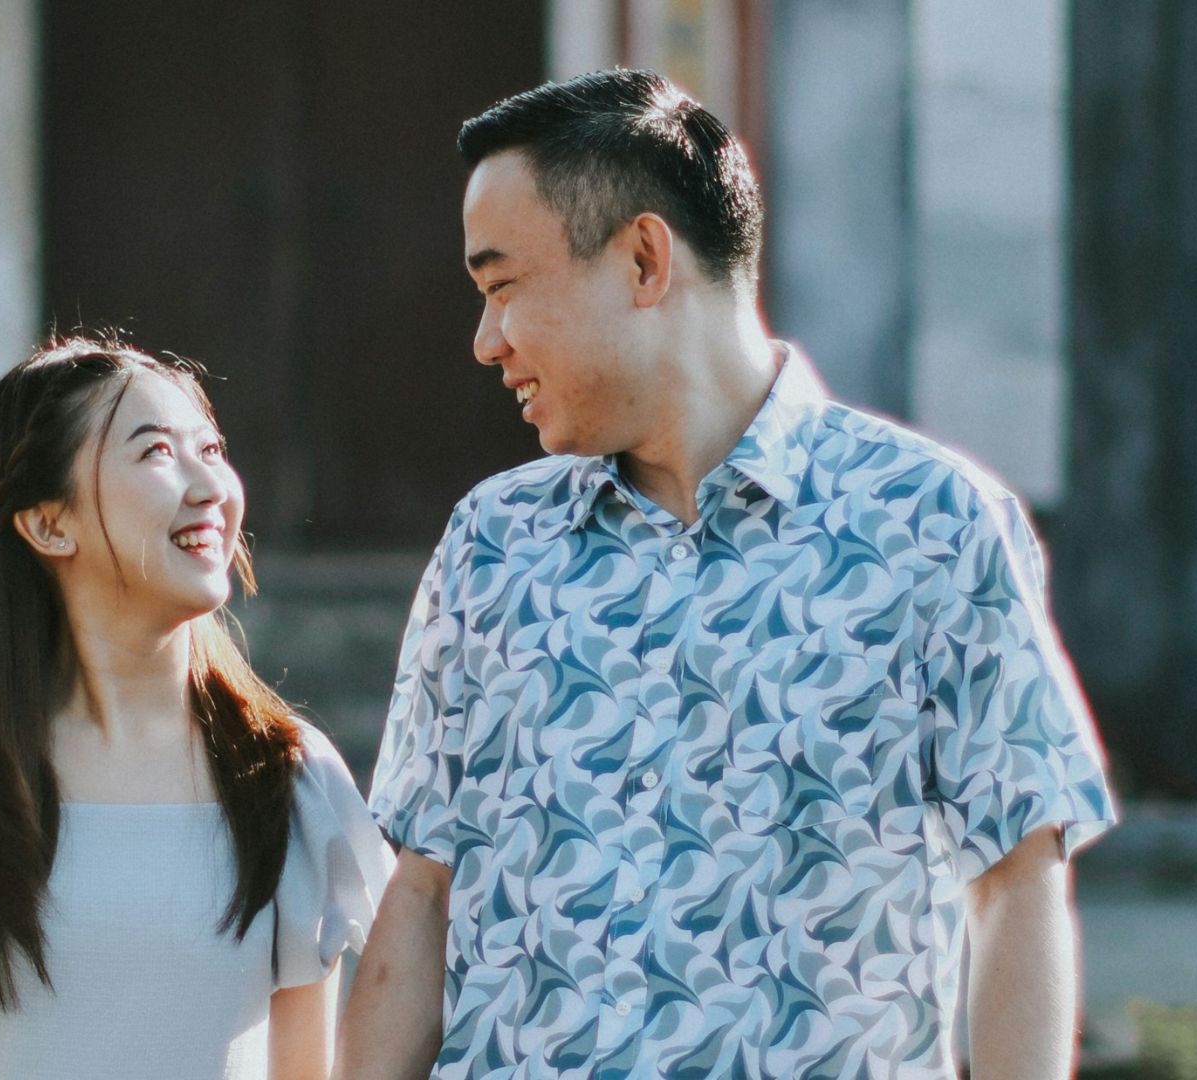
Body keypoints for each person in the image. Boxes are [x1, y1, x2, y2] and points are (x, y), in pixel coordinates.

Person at [337, 70, 1116, 1080]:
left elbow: (1018, 884)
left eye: (501, 287)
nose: (487, 342)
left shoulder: (931, 524)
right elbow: (423, 895)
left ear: (645, 259)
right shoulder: (493, 544)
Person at [0, 336, 392, 1079]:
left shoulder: (283, 778)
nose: (210, 486)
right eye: (157, 453)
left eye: (212, 449)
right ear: (48, 524)